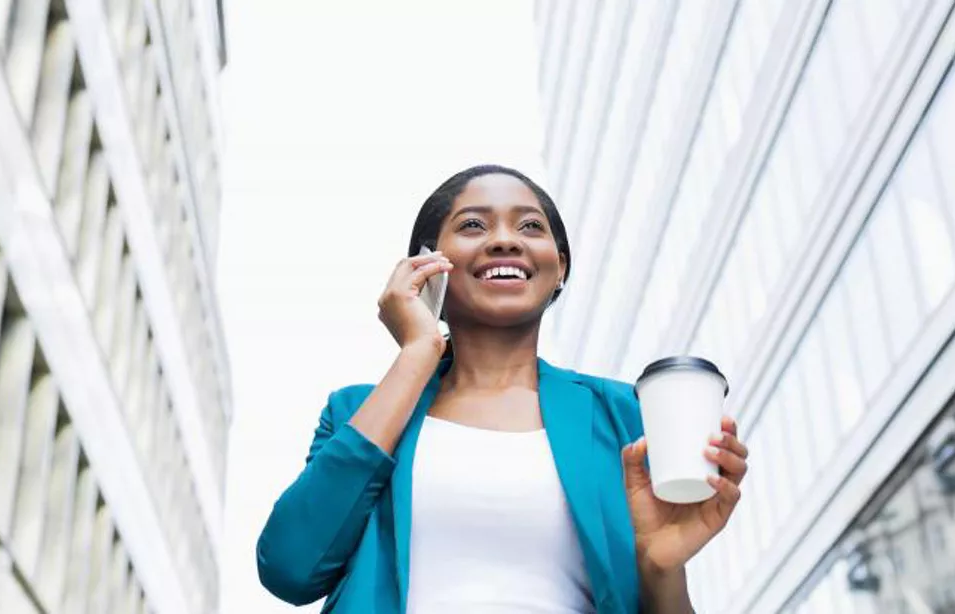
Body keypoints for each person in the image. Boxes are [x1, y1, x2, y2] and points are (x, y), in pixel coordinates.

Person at [255, 165, 750, 613]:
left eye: (530, 226)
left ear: (558, 268)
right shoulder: (359, 412)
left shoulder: (625, 416)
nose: (505, 240)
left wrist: (661, 567)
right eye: (473, 225)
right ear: (427, 270)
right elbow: (290, 569)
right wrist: (416, 352)